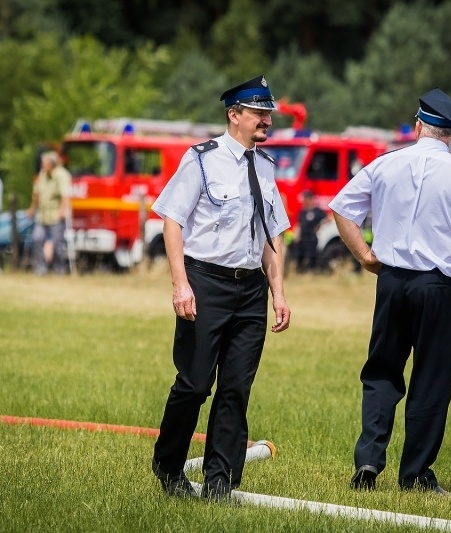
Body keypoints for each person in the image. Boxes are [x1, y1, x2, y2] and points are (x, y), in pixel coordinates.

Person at [329, 88, 451, 494]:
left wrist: (365, 256)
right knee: (431, 379)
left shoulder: (385, 163)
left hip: (392, 281)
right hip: (439, 288)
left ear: (418, 126)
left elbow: (341, 209)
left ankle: (368, 461)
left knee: (381, 371)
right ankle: (414, 474)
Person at [150, 74, 291, 500]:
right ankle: (169, 465)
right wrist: (180, 284)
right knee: (194, 384)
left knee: (235, 388)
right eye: (259, 113)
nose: (267, 121)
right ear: (235, 115)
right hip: (206, 282)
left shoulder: (265, 167)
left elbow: (272, 235)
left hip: (250, 291)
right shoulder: (201, 159)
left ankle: (219, 481)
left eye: (269, 114)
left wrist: (278, 291)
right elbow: (171, 220)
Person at [26, 151, 71, 275]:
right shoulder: (42, 174)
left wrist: (62, 211)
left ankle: (59, 270)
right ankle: (41, 269)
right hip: (42, 215)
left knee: (57, 244)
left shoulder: (61, 174)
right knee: (36, 239)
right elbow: (37, 194)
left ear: (52, 164)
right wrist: (32, 209)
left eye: (44, 163)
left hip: (55, 214)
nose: (42, 165)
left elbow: (65, 195)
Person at [295, 190, 327, 273]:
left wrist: (320, 225)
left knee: (312, 255)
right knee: (300, 256)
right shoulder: (302, 211)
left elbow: (328, 218)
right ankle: (300, 271)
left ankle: (313, 271)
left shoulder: (317, 211)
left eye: (306, 198)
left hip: (312, 237)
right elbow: (299, 223)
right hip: (303, 238)